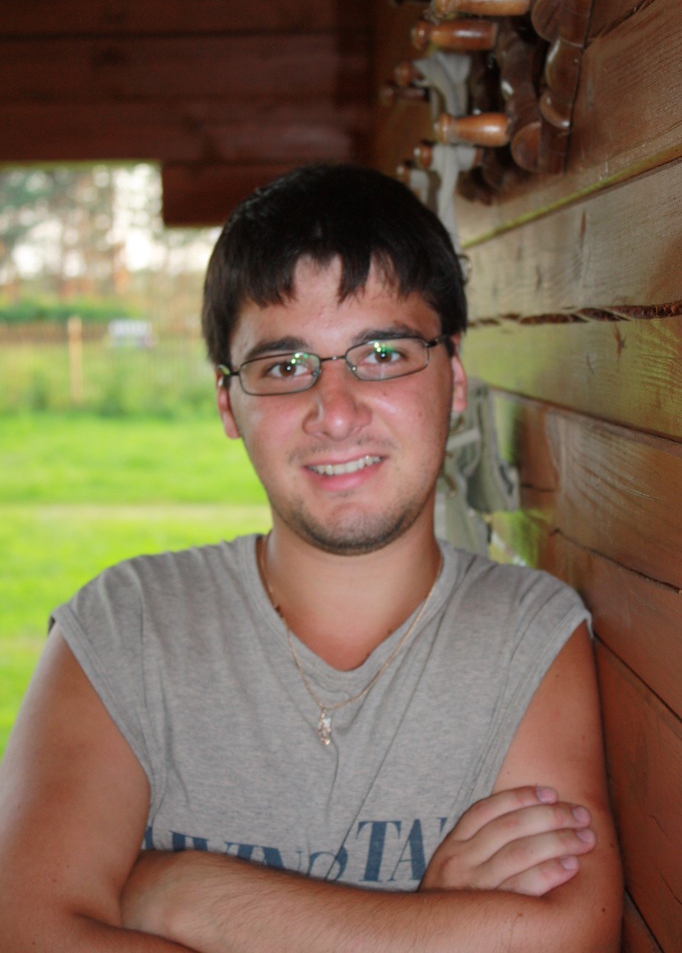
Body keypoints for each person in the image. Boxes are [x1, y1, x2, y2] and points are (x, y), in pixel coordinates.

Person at [0, 164, 622, 952]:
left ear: (455, 379)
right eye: (285, 367)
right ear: (229, 404)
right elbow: (27, 932)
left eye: (383, 354)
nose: (335, 411)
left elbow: (572, 934)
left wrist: (196, 899)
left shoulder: (528, 635)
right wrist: (424, 925)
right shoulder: (126, 629)